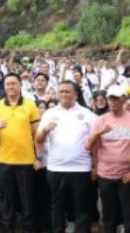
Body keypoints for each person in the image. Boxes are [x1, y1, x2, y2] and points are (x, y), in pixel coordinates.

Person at [35, 80, 96, 233]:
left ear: (75, 94)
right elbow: (39, 139)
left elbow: (96, 143)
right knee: (57, 206)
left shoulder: (87, 114)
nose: (64, 94)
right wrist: (45, 130)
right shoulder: (50, 113)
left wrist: (95, 166)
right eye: (61, 91)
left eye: (67, 91)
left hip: (81, 168)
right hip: (56, 168)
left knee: (82, 207)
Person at [86, 86, 130, 233]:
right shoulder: (101, 120)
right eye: (110, 99)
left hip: (127, 177)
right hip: (105, 176)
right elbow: (88, 145)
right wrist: (99, 132)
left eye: (116, 98)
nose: (113, 102)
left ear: (124, 99)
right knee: (109, 217)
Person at [0, 73, 40, 233]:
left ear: (20, 84)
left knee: (27, 199)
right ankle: (7, 228)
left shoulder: (30, 105)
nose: (10, 86)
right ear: (4, 86)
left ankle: (28, 229)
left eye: (14, 83)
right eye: (8, 84)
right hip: (4, 161)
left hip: (26, 161)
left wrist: (38, 157)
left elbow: (36, 134)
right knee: (6, 199)